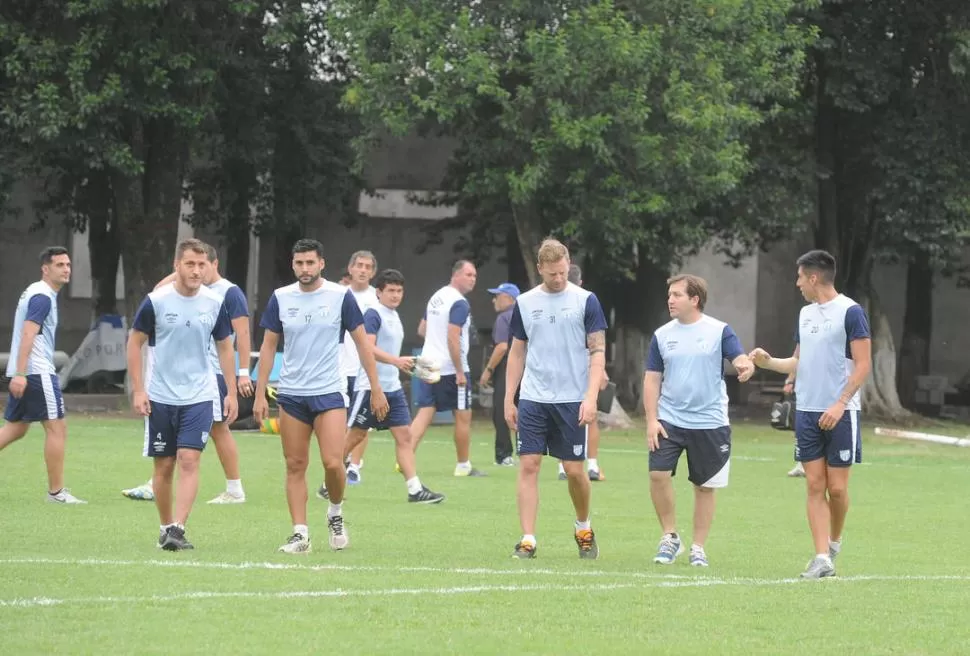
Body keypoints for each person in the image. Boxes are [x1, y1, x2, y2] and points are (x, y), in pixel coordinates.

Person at [253, 239, 388, 554]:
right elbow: (269, 346)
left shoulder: (341, 297)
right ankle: (300, 535)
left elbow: (362, 344)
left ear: (322, 264)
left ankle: (335, 513)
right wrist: (260, 393)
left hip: (329, 391)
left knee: (332, 461)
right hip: (292, 394)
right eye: (299, 263)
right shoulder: (281, 298)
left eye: (310, 263)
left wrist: (375, 388)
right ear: (293, 265)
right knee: (295, 464)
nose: (304, 269)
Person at [749, 249, 871, 579]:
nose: (797, 282)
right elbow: (797, 362)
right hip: (806, 412)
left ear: (813, 277)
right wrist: (769, 362)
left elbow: (863, 365)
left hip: (841, 413)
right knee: (815, 486)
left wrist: (840, 402)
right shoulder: (804, 315)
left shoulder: (851, 312)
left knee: (838, 490)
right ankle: (821, 558)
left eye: (800, 276)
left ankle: (834, 540)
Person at [127, 238, 239, 550]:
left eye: (202, 264)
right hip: (161, 394)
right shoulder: (156, 301)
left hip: (200, 395)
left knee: (189, 459)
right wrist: (139, 390)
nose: (196, 270)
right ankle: (164, 528)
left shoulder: (215, 303)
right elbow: (134, 343)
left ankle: (178, 528)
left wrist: (230, 391)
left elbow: (226, 346)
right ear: (177, 265)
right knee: (164, 466)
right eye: (190, 263)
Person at [505, 239, 607, 559]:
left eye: (563, 272)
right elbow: (517, 351)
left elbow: (598, 352)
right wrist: (510, 398)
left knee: (575, 471)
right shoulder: (524, 303)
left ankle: (583, 527)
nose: (559, 279)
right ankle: (528, 538)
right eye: (552, 274)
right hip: (534, 398)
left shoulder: (586, 301)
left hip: (572, 400)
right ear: (540, 270)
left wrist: (590, 398)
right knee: (529, 465)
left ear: (568, 264)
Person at [644, 274, 755, 567]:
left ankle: (698, 547)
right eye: (669, 294)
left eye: (677, 294)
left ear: (695, 300)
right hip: (669, 419)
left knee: (704, 487)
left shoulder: (720, 331)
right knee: (658, 475)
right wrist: (651, 420)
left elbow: (739, 357)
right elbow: (652, 379)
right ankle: (669, 536)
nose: (670, 299)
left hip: (710, 422)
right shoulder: (662, 335)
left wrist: (745, 366)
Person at [344, 269, 445, 503]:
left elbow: (389, 353)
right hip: (370, 387)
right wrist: (396, 361)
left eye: (399, 291)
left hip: (393, 388)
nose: (395, 295)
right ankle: (329, 480)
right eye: (390, 290)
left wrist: (401, 363)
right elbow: (367, 348)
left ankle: (414, 489)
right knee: (355, 437)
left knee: (405, 437)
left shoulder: (394, 315)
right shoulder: (373, 314)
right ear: (379, 292)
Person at [0, 246, 85, 504]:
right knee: (57, 428)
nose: (66, 269)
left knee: (15, 429)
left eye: (68, 264)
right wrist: (22, 373)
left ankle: (56, 492)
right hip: (36, 372)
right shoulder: (42, 296)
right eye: (60, 265)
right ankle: (56, 493)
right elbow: (29, 333)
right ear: (45, 269)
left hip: (26, 370)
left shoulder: (37, 292)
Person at [410, 260, 484, 477]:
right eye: (468, 274)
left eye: (475, 276)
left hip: (425, 360)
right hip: (449, 367)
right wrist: (460, 371)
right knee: (463, 415)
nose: (473, 279)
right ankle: (463, 466)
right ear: (456, 275)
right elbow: (453, 336)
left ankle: (404, 456)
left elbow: (422, 329)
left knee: (425, 412)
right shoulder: (460, 302)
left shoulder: (437, 296)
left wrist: (435, 343)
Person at [316, 250, 378, 500]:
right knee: (346, 426)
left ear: (372, 272)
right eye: (359, 265)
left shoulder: (377, 299)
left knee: (363, 427)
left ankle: (354, 466)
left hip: (364, 372)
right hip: (340, 370)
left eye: (367, 267)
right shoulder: (336, 294)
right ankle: (335, 470)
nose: (363, 270)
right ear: (350, 269)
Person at [557, 263, 608, 482]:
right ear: (580, 282)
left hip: (559, 366)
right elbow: (594, 343)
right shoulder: (587, 300)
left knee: (561, 416)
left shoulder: (552, 302)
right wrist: (600, 369)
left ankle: (562, 466)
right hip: (583, 364)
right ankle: (592, 465)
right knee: (590, 415)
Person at [480, 282, 519, 466]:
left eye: (498, 295)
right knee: (523, 410)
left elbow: (502, 346)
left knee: (503, 410)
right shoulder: (525, 315)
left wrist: (488, 370)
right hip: (526, 368)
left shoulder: (504, 317)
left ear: (509, 298)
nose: (494, 300)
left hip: (506, 369)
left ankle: (504, 455)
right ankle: (527, 451)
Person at [784, 369, 805, 477]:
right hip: (804, 390)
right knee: (800, 428)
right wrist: (790, 381)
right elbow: (796, 360)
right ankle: (801, 464)